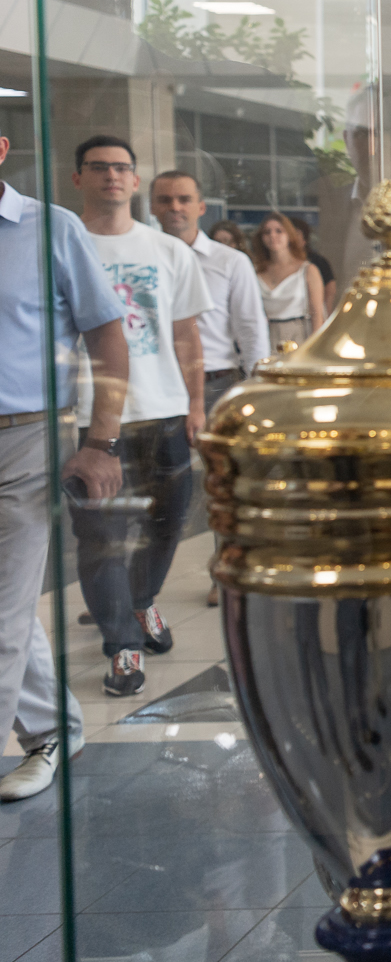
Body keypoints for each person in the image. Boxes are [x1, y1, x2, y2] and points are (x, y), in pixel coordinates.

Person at [0, 131, 126, 802]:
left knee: (3, 606)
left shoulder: (50, 228)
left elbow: (106, 332)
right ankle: (53, 728)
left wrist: (101, 441)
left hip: (27, 437)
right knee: (10, 607)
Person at [71, 135, 213, 698]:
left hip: (163, 409)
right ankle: (122, 645)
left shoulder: (168, 251)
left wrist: (196, 404)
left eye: (121, 168)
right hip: (89, 419)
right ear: (78, 178)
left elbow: (186, 335)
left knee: (168, 521)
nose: (111, 175)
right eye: (98, 167)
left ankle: (142, 600)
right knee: (100, 536)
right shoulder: (66, 244)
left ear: (135, 181)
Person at [151, 172, 270, 412]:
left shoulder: (231, 261)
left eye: (184, 199)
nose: (175, 207)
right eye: (165, 200)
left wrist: (259, 388)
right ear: (152, 208)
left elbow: (251, 329)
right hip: (156, 383)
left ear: (201, 207)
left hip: (216, 383)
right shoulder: (144, 259)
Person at [251, 213, 325, 349]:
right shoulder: (256, 272)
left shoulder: (308, 270)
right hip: (266, 334)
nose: (273, 236)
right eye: (267, 232)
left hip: (298, 334)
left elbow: (317, 313)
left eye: (279, 231)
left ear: (289, 235)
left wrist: (315, 346)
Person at [296, 220, 339, 319]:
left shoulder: (316, 262)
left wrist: (326, 312)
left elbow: (330, 288)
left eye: (296, 234)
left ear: (304, 239)